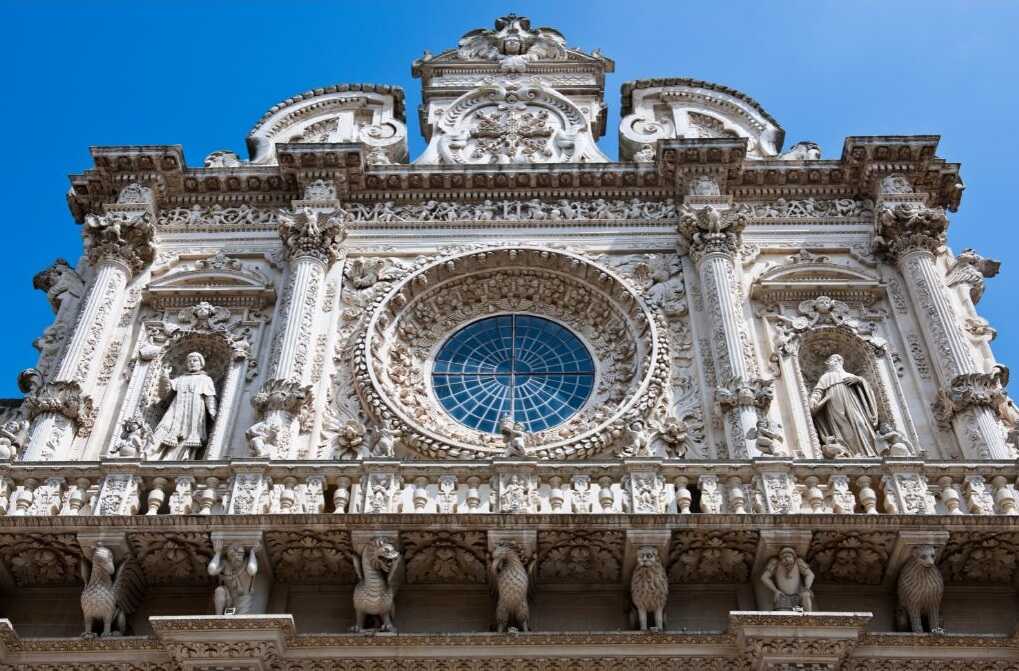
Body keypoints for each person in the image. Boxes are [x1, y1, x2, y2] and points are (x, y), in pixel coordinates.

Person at [149, 352, 217, 460]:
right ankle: (151, 453)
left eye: (195, 360)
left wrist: (212, 411)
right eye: (189, 361)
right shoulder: (181, 379)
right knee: (165, 427)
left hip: (195, 410)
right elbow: (164, 393)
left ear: (201, 363)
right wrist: (165, 376)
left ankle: (180, 457)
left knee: (189, 433)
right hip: (176, 408)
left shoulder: (205, 379)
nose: (192, 363)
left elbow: (210, 396)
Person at [809, 354, 879, 457]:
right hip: (833, 403)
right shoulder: (826, 377)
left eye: (831, 360)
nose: (828, 363)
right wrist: (813, 399)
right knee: (843, 428)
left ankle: (867, 452)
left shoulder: (851, 376)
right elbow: (818, 390)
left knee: (860, 423)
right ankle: (850, 453)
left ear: (839, 361)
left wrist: (859, 381)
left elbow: (867, 389)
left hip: (852, 402)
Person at [760, 547, 815, 611]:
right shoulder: (775, 563)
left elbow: (810, 574)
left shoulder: (798, 562)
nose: (786, 559)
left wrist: (807, 588)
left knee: (801, 614)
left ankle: (806, 614)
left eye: (788, 556)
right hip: (783, 597)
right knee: (784, 616)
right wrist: (776, 591)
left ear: (794, 557)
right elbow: (764, 577)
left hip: (798, 597)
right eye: (783, 557)